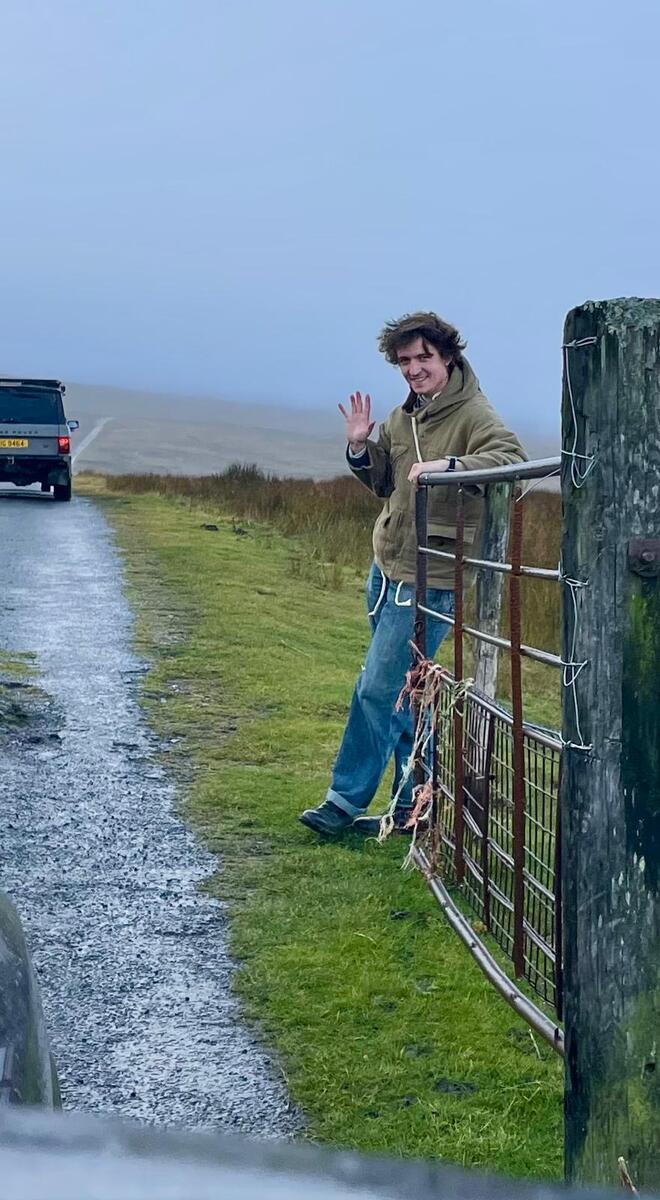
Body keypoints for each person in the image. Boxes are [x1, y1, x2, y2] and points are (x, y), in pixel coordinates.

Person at [299, 311, 526, 837]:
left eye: (423, 357)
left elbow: (510, 458)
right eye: (404, 361)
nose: (414, 369)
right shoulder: (405, 417)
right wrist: (360, 447)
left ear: (448, 356)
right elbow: (385, 483)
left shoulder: (473, 412)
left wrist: (448, 467)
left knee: (377, 690)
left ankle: (342, 801)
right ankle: (414, 809)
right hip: (387, 568)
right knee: (408, 695)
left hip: (432, 578)